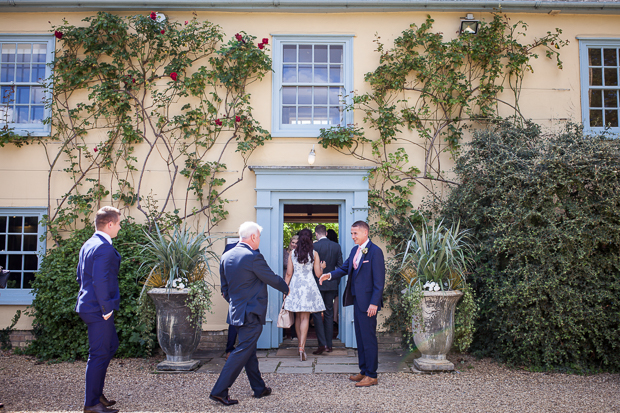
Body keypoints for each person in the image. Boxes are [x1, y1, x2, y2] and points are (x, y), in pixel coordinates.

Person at [210, 222, 289, 407]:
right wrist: (287, 289)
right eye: (259, 237)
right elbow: (271, 277)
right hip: (251, 313)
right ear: (253, 237)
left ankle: (259, 388)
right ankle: (219, 391)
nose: (259, 240)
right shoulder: (253, 257)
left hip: (237, 312)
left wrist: (237, 304)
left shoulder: (226, 256)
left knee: (249, 351)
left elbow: (224, 290)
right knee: (243, 350)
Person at [319, 220, 385, 387]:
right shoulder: (355, 250)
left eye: (355, 233)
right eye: (351, 233)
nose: (352, 236)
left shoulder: (375, 252)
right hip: (357, 300)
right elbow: (345, 268)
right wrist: (329, 275)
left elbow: (379, 281)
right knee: (360, 338)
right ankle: (363, 370)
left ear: (365, 233)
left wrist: (374, 303)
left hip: (369, 303)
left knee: (368, 338)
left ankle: (372, 375)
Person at [75, 206, 122, 413]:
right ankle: (91, 404)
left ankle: (96, 394)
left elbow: (80, 276)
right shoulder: (103, 247)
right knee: (98, 354)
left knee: (111, 345)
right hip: (98, 308)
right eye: (119, 224)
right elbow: (100, 280)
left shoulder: (88, 244)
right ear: (110, 224)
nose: (119, 228)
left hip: (89, 305)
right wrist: (105, 307)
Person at [283, 228, 326, 361]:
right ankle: (302, 347)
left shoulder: (292, 253)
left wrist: (285, 289)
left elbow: (289, 274)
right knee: (305, 318)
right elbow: (318, 274)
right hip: (308, 286)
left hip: (295, 286)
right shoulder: (314, 253)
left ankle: (298, 346)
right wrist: (323, 267)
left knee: (297, 316)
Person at [311, 225, 343, 355]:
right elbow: (340, 267)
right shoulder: (336, 246)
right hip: (331, 284)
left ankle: (322, 344)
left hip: (316, 284)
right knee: (329, 313)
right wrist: (336, 283)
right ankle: (329, 345)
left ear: (316, 234)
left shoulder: (314, 247)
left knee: (317, 314)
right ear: (325, 233)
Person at [222, 240, 239, 361]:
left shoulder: (254, 249)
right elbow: (223, 269)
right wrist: (224, 289)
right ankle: (230, 349)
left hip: (241, 291)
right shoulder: (230, 247)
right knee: (234, 321)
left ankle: (232, 349)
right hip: (234, 291)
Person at [282, 235, 299, 340]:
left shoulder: (298, 254)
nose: (294, 245)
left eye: (297, 243)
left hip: (295, 284)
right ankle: (283, 333)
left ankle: (294, 334)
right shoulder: (284, 252)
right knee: (284, 308)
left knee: (295, 310)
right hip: (284, 282)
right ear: (290, 242)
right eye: (293, 242)